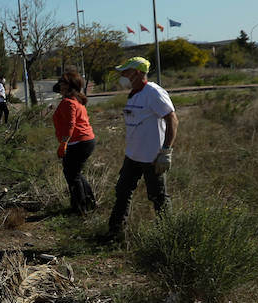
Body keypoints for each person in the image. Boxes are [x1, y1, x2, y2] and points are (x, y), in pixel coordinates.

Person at [106, 57, 178, 239]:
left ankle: (168, 236)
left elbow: (172, 119)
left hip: (152, 157)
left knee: (158, 197)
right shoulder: (134, 93)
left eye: (126, 72)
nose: (122, 76)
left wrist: (166, 151)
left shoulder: (153, 92)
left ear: (137, 73)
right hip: (132, 156)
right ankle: (115, 233)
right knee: (122, 191)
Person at [52, 70, 97, 214]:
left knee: (72, 174)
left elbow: (70, 124)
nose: (60, 85)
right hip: (85, 141)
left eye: (63, 83)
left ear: (70, 86)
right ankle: (89, 203)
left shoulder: (68, 102)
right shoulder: (76, 100)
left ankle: (80, 208)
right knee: (75, 173)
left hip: (78, 142)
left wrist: (63, 143)